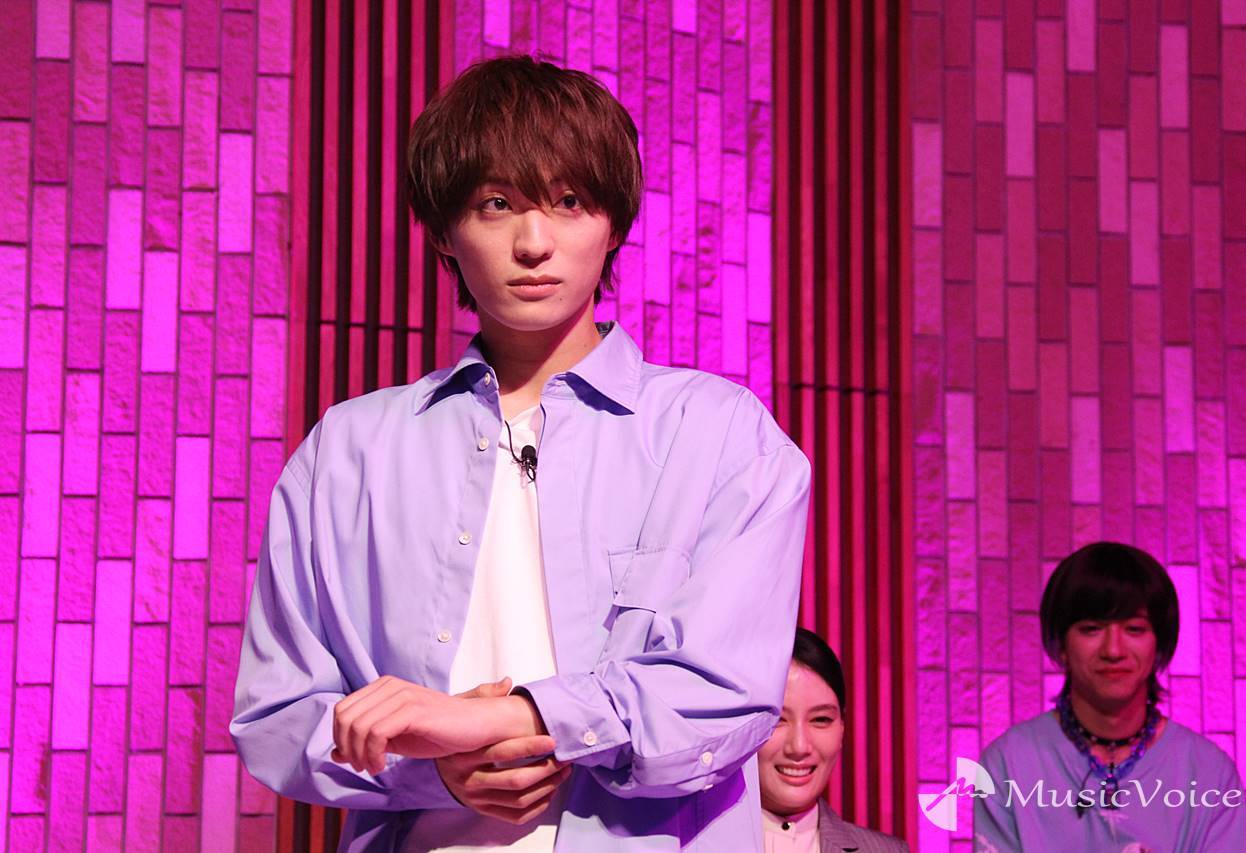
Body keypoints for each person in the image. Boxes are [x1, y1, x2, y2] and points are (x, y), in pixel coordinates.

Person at [230, 55, 811, 851]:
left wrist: (512, 718)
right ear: (444, 231)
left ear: (613, 224)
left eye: (569, 202)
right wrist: (432, 771)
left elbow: (724, 696)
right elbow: (275, 714)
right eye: (496, 204)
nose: (535, 243)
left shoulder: (720, 434)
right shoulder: (348, 451)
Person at [974, 541, 1246, 852]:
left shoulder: (1210, 773)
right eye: (1092, 628)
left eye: (1134, 629)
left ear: (1158, 644)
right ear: (1061, 645)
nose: (1113, 650)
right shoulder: (1007, 764)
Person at [758, 628, 907, 853]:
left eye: (821, 719)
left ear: (842, 728)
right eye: (778, 720)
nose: (799, 746)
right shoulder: (700, 843)